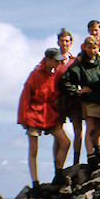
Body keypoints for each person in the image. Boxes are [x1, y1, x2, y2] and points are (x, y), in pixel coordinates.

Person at [61, 36, 100, 169]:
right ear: (84, 47)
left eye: (94, 47)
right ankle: (92, 157)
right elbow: (65, 81)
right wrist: (78, 91)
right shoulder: (78, 64)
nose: (92, 50)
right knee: (91, 129)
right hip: (89, 100)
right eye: (89, 47)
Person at [17, 47, 70, 188]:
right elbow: (25, 97)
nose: (59, 63)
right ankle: (35, 183)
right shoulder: (34, 75)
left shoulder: (57, 74)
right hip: (34, 116)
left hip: (51, 115)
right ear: (48, 60)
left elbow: (69, 69)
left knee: (65, 142)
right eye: (56, 60)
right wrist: (22, 119)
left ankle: (58, 172)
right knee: (34, 150)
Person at [55, 28, 84, 165]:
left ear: (71, 43)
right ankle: (58, 166)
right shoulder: (52, 59)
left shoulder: (75, 60)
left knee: (78, 129)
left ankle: (76, 162)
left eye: (67, 41)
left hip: (74, 98)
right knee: (58, 133)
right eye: (62, 40)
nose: (64, 43)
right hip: (58, 100)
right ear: (58, 42)